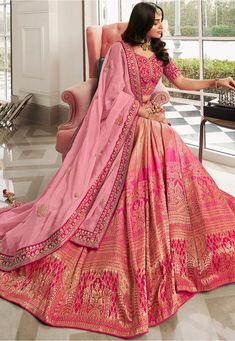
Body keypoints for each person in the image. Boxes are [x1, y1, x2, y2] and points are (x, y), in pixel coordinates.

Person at [0, 2, 235, 339]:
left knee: (189, 180)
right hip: (133, 127)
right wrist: (140, 110)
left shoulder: (159, 54)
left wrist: (215, 80)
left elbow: (180, 81)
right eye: (156, 24)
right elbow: (111, 98)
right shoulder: (118, 52)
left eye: (162, 23)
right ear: (142, 25)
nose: (162, 29)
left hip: (158, 127)